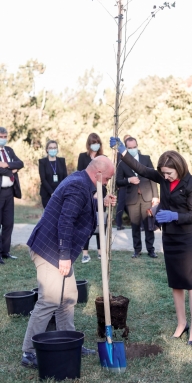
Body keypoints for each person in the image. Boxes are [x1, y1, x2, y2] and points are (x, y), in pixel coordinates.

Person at [21, 156, 116, 368]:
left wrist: (100, 202)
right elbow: (66, 221)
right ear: (98, 173)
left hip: (57, 249)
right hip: (50, 251)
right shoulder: (78, 185)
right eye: (107, 178)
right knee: (50, 300)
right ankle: (28, 352)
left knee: (68, 296)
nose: (107, 183)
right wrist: (64, 256)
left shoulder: (82, 182)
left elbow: (79, 207)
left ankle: (69, 341)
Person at [110, 137, 192, 345]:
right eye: (163, 173)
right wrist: (122, 151)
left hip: (186, 239)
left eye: (169, 173)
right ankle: (181, 324)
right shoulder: (162, 177)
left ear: (179, 168)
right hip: (169, 237)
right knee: (175, 283)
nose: (166, 177)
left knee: (190, 284)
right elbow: (141, 169)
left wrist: (174, 216)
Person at [116, 137, 159, 259]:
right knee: (135, 225)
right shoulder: (122, 162)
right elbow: (118, 182)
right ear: (126, 148)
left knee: (148, 225)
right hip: (132, 198)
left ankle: (151, 250)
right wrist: (128, 180)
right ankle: (137, 250)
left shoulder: (146, 158)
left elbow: (153, 178)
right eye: (129, 148)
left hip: (147, 196)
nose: (132, 149)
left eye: (134, 147)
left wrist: (155, 196)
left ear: (137, 146)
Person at [77, 133, 105, 262]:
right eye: (93, 142)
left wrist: (100, 191)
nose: (95, 144)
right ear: (89, 144)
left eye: (97, 142)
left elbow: (106, 176)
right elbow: (81, 175)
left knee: (100, 223)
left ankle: (100, 252)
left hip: (101, 194)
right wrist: (91, 191)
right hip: (87, 194)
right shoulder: (83, 157)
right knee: (86, 223)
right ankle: (85, 253)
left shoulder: (103, 157)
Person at [0, 127, 24, 264]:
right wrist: (10, 171)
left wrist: (6, 164)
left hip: (9, 192)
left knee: (8, 223)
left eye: (5, 136)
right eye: (1, 136)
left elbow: (20, 163)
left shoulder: (9, 150)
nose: (3, 138)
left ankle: (5, 251)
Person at [39, 140, 67, 208]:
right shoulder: (42, 162)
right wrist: (52, 193)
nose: (53, 149)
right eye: (51, 148)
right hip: (47, 194)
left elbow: (65, 178)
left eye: (55, 148)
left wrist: (60, 191)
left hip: (60, 193)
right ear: (47, 149)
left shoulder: (61, 161)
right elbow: (43, 179)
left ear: (57, 149)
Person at [115, 134, 131, 230]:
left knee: (130, 204)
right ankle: (118, 224)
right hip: (123, 182)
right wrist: (117, 183)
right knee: (121, 204)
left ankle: (138, 222)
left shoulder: (138, 153)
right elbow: (117, 168)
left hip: (133, 183)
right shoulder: (119, 154)